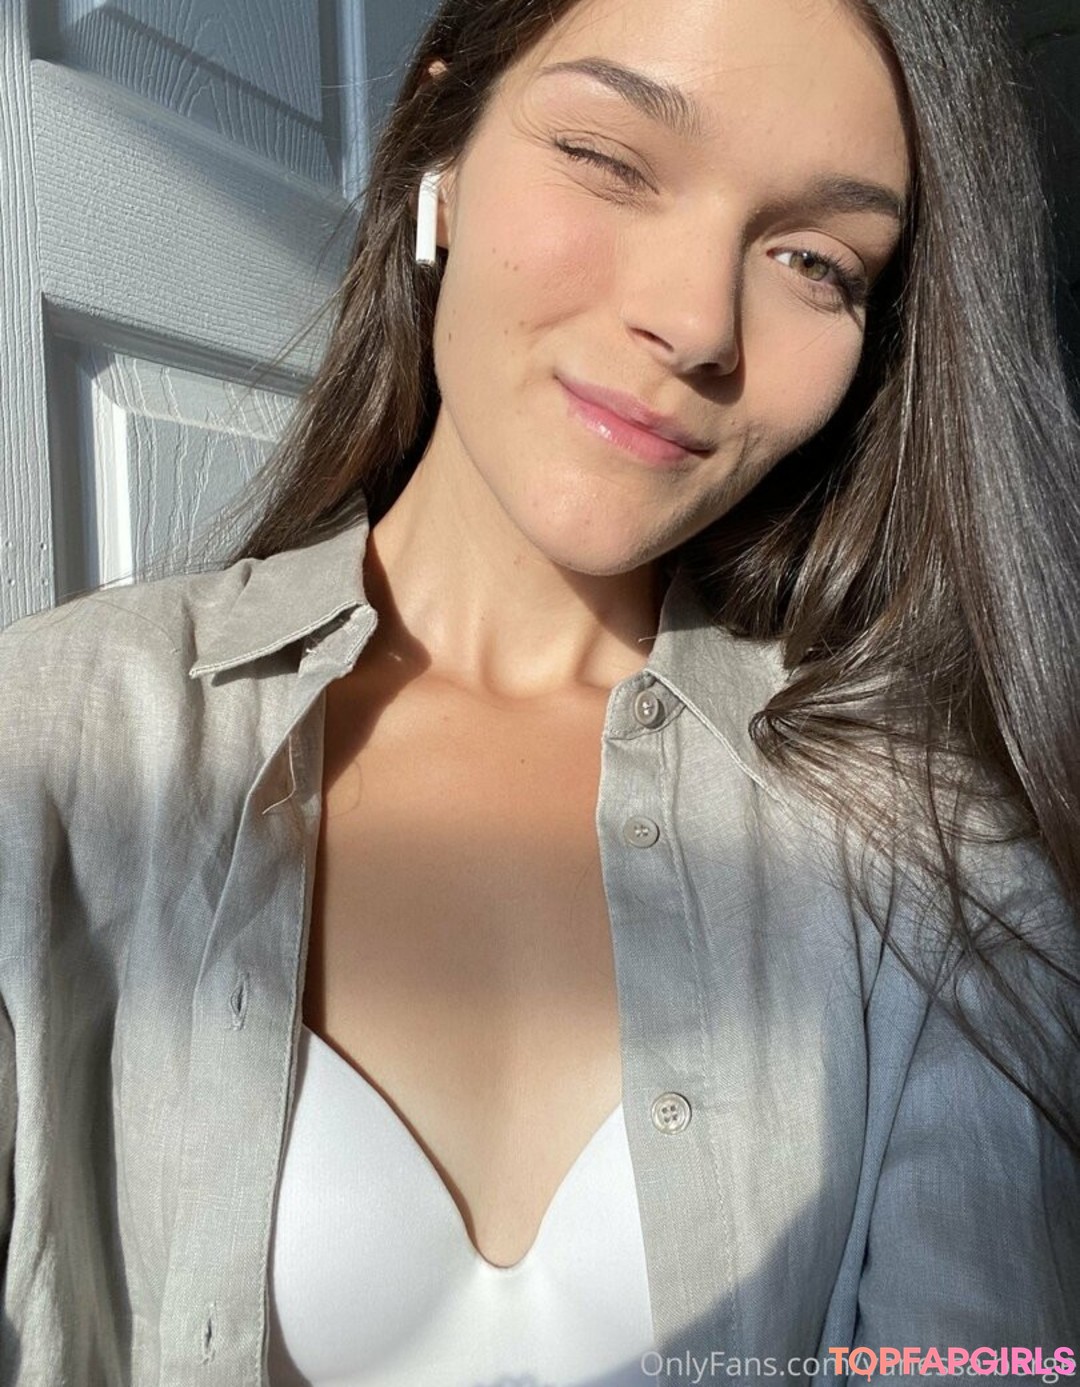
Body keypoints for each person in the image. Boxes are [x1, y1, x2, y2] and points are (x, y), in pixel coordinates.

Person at [1, 0, 1078, 1382]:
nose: (695, 323)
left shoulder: (936, 855)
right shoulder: (53, 740)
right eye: (609, 160)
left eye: (817, 261)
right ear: (440, 152)